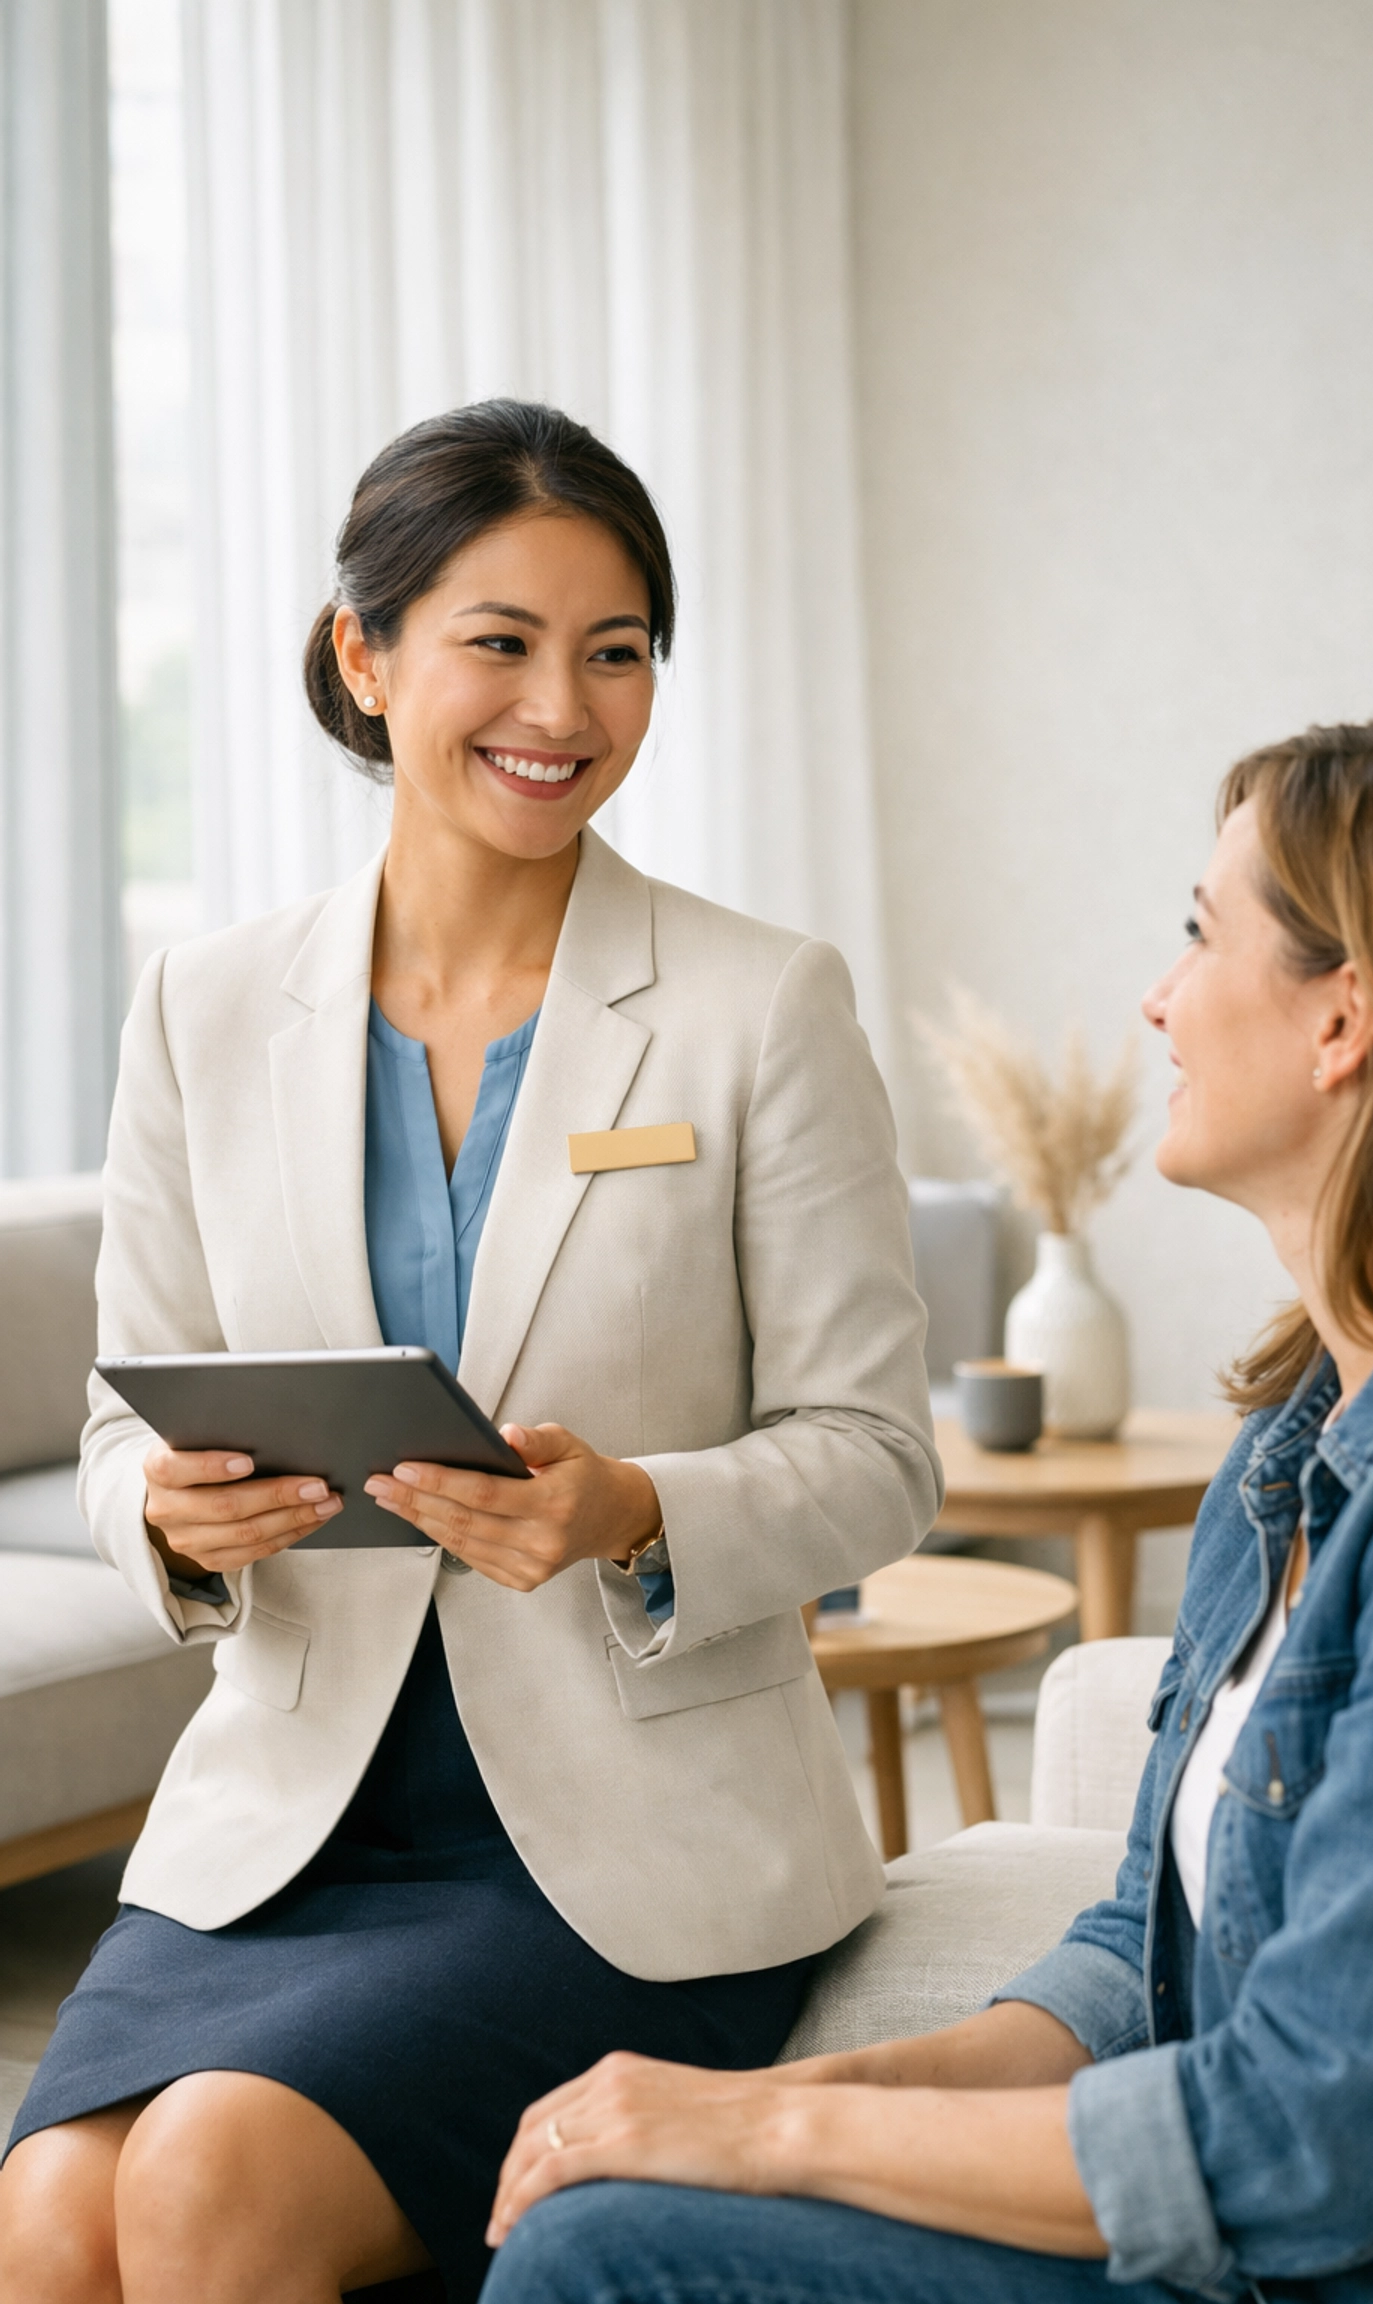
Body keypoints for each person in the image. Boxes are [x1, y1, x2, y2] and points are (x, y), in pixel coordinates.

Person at [0, 400, 939, 2304]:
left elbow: (875, 1454)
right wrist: (173, 1520)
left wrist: (633, 1508)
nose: (562, 709)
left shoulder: (762, 1005)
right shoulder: (203, 1005)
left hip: (632, 1843)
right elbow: (124, 1416)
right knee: (46, 2218)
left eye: (616, 653)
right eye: (499, 643)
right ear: (367, 656)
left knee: (208, 2186)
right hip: (282, 1814)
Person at [478, 717, 1373, 2304]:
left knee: (604, 2268)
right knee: (604, 2227)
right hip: (1262, 2233)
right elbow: (1141, 1947)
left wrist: (768, 2143)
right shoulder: (1297, 1430)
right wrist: (787, 2099)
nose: (1158, 996)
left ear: (1345, 1022)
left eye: (1199, 934)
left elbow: (1309, 2144)